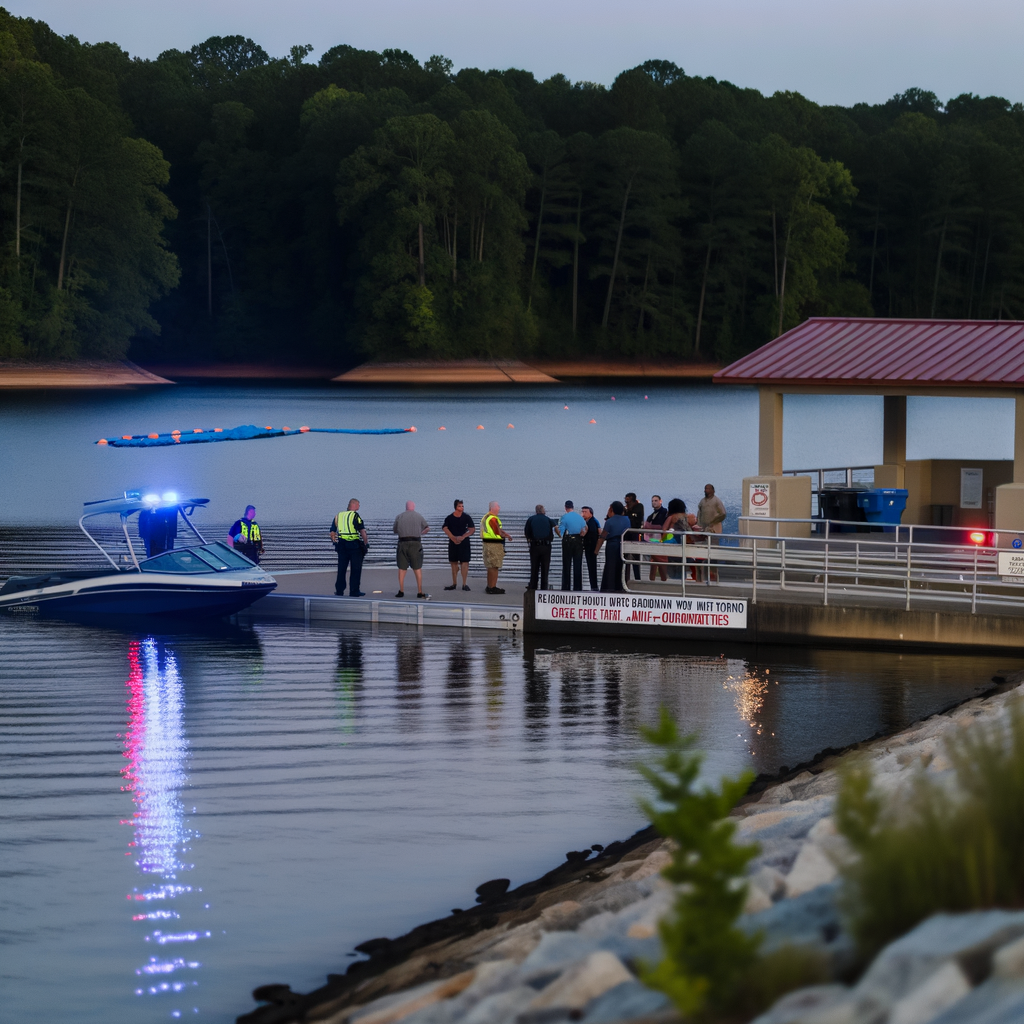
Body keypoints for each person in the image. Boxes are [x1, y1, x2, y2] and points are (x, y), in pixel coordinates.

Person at [392, 500, 430, 599]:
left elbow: (395, 530)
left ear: (406, 507)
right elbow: (427, 528)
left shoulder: (399, 516)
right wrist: (421, 532)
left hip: (402, 543)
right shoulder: (418, 516)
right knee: (417, 568)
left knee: (402, 568)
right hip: (416, 543)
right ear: (414, 506)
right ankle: (420, 591)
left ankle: (401, 590)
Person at [330, 498, 367, 597]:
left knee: (341, 568)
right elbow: (362, 531)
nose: (359, 507)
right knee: (356, 569)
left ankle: (339, 590)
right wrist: (366, 543)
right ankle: (354, 591)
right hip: (354, 545)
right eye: (358, 505)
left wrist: (335, 542)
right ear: (354, 505)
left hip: (342, 545)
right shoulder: (355, 515)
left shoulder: (339, 515)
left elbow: (332, 532)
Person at [596, 500, 631, 592]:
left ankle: (608, 587)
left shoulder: (610, 521)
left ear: (612, 509)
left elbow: (603, 536)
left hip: (612, 544)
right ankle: (620, 587)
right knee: (620, 566)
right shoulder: (627, 520)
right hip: (623, 545)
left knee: (610, 566)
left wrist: (596, 551)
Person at [442, 499, 475, 591]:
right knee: (453, 563)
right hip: (453, 541)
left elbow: (472, 529)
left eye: (462, 506)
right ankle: (454, 583)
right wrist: (452, 537)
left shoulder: (466, 517)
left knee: (465, 562)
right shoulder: (449, 518)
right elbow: (445, 528)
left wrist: (463, 536)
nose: (462, 508)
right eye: (460, 506)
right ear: (456, 507)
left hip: (464, 542)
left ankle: (464, 584)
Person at [697, 483, 727, 583]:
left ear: (713, 490)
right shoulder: (702, 501)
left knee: (713, 554)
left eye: (708, 489)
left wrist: (713, 522)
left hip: (714, 530)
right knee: (703, 554)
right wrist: (699, 525)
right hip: (703, 530)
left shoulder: (716, 501)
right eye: (705, 489)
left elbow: (723, 513)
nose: (706, 490)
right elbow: (699, 513)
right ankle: (702, 577)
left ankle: (714, 576)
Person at [481, 500, 512, 595]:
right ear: (492, 508)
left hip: (488, 545)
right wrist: (506, 536)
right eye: (498, 506)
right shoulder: (492, 518)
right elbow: (497, 531)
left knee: (491, 566)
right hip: (493, 545)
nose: (499, 508)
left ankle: (490, 586)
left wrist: (505, 533)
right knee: (494, 566)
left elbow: (498, 529)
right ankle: (492, 587)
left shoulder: (486, 517)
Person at [556, 500, 586, 591]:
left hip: (568, 540)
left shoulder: (564, 517)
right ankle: (578, 587)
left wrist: (556, 530)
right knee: (578, 564)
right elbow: (585, 529)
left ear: (565, 507)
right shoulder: (580, 517)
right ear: (573, 507)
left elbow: (561, 533)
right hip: (578, 540)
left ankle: (566, 587)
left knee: (567, 564)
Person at [524, 504, 555, 590]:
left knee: (534, 568)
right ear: (543, 511)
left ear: (536, 511)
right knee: (545, 568)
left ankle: (533, 586)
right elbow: (552, 534)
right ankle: (544, 588)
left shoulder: (531, 519)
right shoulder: (548, 520)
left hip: (535, 546)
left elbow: (527, 532)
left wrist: (530, 540)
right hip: (546, 546)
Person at [661, 498, 690, 580]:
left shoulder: (671, 517)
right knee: (681, 570)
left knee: (672, 571)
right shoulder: (685, 518)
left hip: (672, 547)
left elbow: (664, 530)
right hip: (683, 547)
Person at [645, 495, 670, 582]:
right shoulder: (651, 515)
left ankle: (662, 579)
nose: (654, 502)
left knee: (659, 559)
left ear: (660, 501)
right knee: (654, 560)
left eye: (655, 500)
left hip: (660, 539)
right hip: (653, 539)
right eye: (652, 501)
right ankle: (654, 579)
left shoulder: (665, 512)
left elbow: (663, 526)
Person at [624, 493, 645, 579]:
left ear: (631, 498)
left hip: (635, 533)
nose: (625, 499)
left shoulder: (639, 506)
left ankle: (637, 578)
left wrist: (629, 513)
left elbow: (634, 518)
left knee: (635, 557)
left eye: (627, 498)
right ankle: (625, 578)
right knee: (624, 557)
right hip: (626, 534)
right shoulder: (626, 508)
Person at [581, 506, 600, 590]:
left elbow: (592, 535)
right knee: (591, 567)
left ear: (590, 513)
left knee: (591, 567)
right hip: (590, 547)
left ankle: (594, 586)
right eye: (582, 512)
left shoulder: (591, 523)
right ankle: (594, 586)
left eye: (585, 512)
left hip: (591, 548)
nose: (583, 514)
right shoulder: (590, 522)